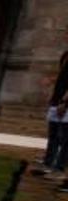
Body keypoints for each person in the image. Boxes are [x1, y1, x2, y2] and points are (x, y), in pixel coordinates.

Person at [42, 43, 68, 180]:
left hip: (64, 103)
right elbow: (63, 77)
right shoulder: (66, 55)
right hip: (57, 100)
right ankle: (49, 162)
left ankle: (59, 168)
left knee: (65, 139)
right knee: (53, 135)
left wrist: (64, 102)